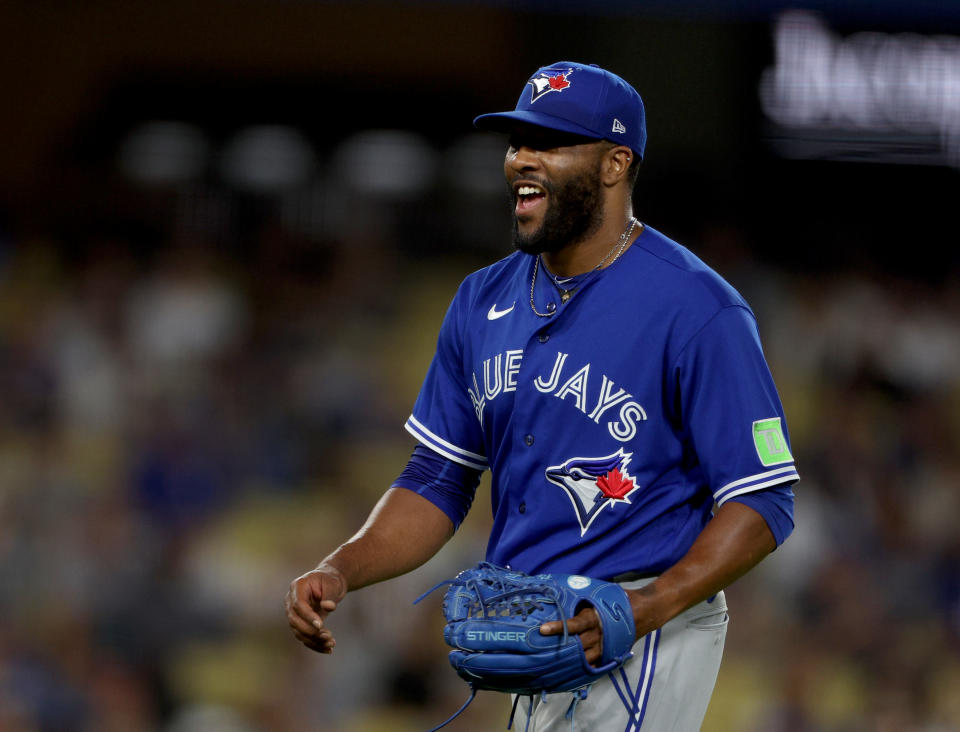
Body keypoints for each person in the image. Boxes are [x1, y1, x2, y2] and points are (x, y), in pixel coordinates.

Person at [286, 61, 799, 731]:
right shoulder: (481, 299)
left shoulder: (698, 309)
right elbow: (439, 476)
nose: (522, 159)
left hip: (644, 629)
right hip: (535, 623)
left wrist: (654, 604)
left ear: (615, 164)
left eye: (550, 143)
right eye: (516, 141)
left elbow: (763, 495)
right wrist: (343, 566)